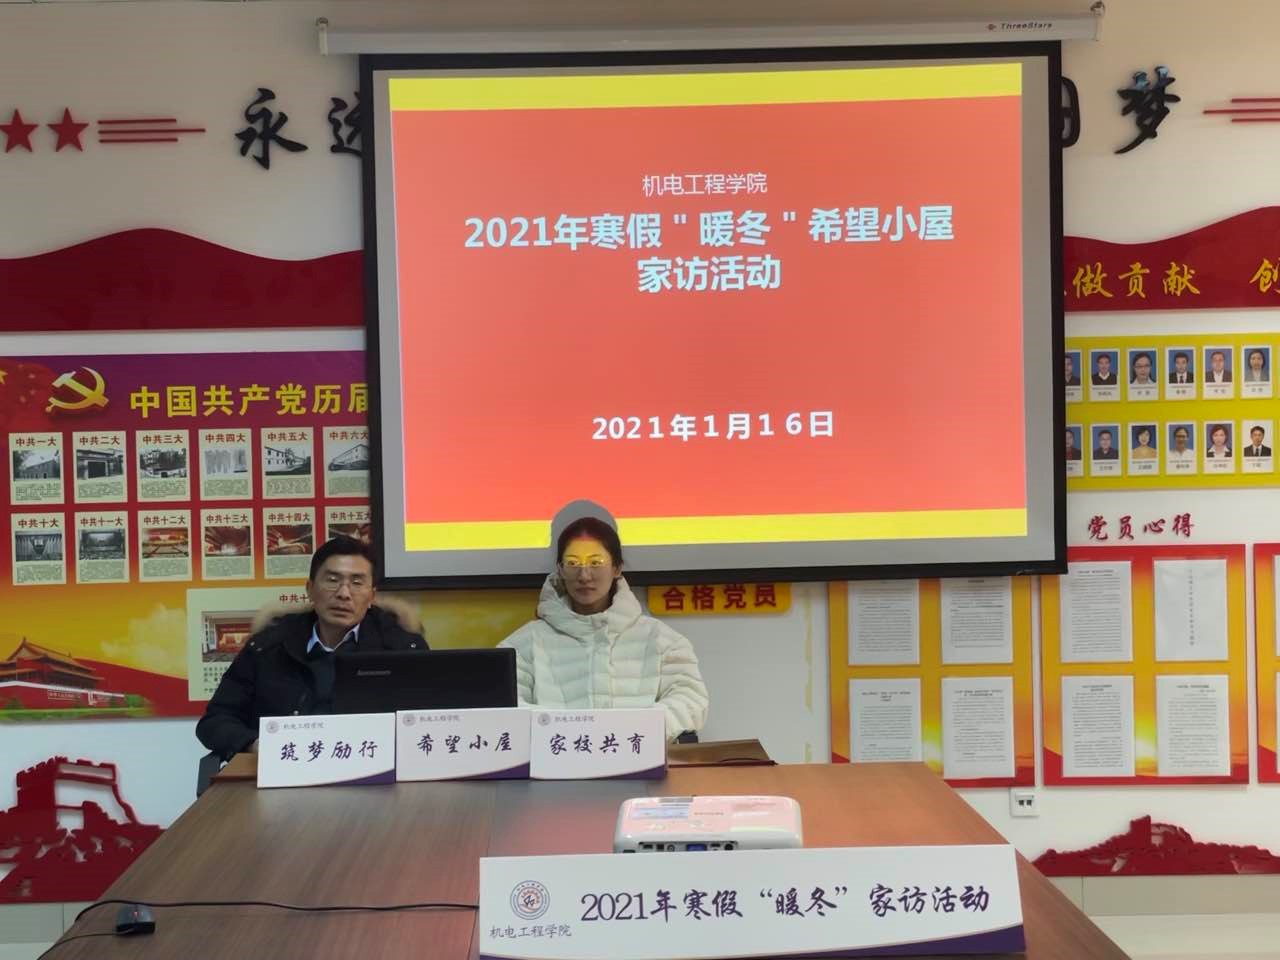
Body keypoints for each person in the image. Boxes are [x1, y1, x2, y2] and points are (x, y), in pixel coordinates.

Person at [196, 537, 426, 760]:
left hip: (373, 773)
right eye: (332, 580)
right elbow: (216, 720)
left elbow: (428, 724)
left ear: (371, 597)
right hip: (284, 771)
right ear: (310, 589)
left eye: (357, 583)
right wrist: (255, 745)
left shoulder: (402, 650)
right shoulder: (267, 647)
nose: (344, 593)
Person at [499, 516, 708, 741]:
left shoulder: (662, 640)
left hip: (638, 757)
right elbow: (502, 707)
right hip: (554, 759)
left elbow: (690, 701)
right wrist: (568, 733)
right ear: (560, 569)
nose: (584, 575)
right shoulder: (523, 644)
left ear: (617, 568)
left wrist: (630, 731)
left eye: (596, 563)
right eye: (573, 563)